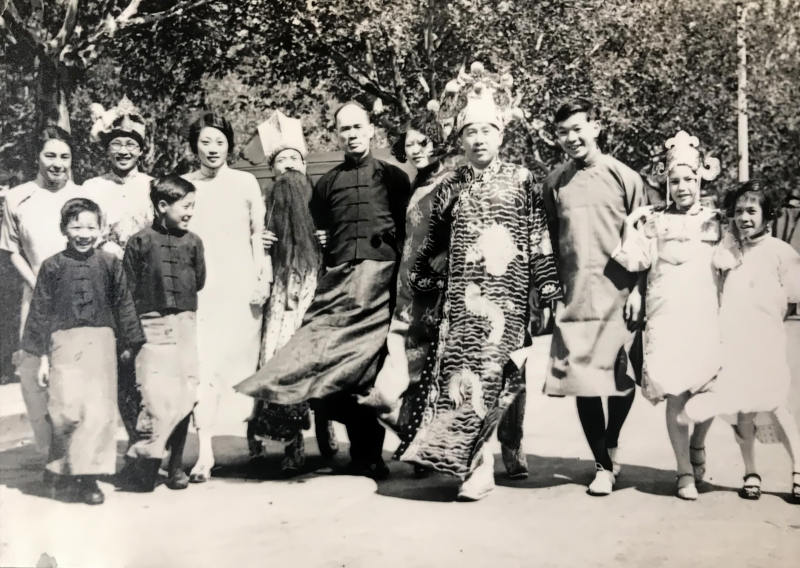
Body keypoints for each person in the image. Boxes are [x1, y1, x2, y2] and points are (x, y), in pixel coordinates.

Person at [396, 86, 562, 500]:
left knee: (506, 377)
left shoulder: (523, 180)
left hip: (509, 299)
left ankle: (511, 443)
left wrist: (546, 289)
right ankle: (478, 466)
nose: (478, 139)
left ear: (501, 135)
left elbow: (538, 237)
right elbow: (428, 247)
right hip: (464, 306)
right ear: (461, 138)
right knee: (470, 384)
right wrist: (434, 277)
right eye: (470, 131)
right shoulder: (450, 186)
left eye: (487, 130)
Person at [236, 101, 411, 480]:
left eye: (357, 127)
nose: (351, 135)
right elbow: (310, 238)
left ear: (371, 129)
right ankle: (359, 445)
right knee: (333, 374)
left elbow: (408, 234)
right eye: (344, 129)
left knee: (368, 372)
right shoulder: (327, 184)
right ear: (338, 135)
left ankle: (371, 455)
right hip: (339, 286)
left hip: (382, 286)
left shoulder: (394, 178)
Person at [542, 97, 646, 496]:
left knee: (621, 381)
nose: (571, 138)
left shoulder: (625, 177)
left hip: (619, 295)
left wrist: (637, 289)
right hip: (575, 297)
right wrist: (551, 293)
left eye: (578, 129)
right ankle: (602, 464)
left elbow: (643, 241)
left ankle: (612, 440)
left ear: (596, 127)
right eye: (563, 132)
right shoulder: (554, 183)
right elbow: (548, 243)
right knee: (582, 383)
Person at [612, 131, 721, 500]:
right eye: (675, 180)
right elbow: (643, 264)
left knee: (708, 393)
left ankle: (698, 445)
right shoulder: (650, 219)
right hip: (666, 312)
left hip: (706, 313)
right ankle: (684, 472)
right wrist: (638, 294)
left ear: (701, 177)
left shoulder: (717, 220)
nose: (682, 186)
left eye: (689, 178)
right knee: (676, 393)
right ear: (666, 182)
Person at [21, 198, 144, 505]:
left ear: (101, 229)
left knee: (98, 414)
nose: (84, 233)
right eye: (76, 226)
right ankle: (63, 468)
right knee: (66, 410)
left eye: (91, 226)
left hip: (101, 343)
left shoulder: (109, 263)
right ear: (64, 228)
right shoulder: (52, 266)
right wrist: (41, 357)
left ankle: (88, 480)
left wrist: (130, 344)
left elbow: (124, 304)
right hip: (63, 343)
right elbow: (40, 310)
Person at [685, 180, 800, 504]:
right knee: (743, 410)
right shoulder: (727, 251)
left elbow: (792, 297)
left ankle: (798, 471)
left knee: (776, 403)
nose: (745, 218)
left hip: (766, 339)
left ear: (767, 214)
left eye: (752, 211)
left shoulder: (780, 252)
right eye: (738, 212)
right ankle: (751, 471)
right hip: (734, 339)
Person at [244, 111, 337, 475]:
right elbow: (246, 239)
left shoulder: (319, 201)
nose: (289, 168)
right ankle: (292, 443)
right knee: (279, 363)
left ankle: (327, 424)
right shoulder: (267, 204)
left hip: (315, 288)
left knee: (320, 366)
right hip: (279, 295)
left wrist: (329, 240)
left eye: (294, 160)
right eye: (281, 162)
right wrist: (258, 242)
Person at [182, 113, 270, 483]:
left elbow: (258, 233)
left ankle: (257, 438)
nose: (213, 149)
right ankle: (204, 452)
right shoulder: (183, 185)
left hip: (241, 289)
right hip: (203, 291)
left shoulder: (245, 182)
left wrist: (262, 277)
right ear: (194, 146)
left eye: (219, 141)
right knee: (205, 369)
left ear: (229, 145)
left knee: (247, 367)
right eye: (205, 142)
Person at [358, 112, 452, 421]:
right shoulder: (415, 183)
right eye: (409, 144)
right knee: (394, 383)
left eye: (422, 142)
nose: (415, 150)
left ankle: (421, 442)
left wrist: (447, 254)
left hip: (438, 291)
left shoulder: (453, 179)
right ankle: (409, 427)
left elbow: (465, 227)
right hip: (407, 287)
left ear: (436, 141)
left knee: (429, 371)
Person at [0, 126, 87, 457]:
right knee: (34, 375)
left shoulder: (82, 198)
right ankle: (50, 453)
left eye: (65, 156)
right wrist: (37, 284)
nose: (58, 163)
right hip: (35, 296)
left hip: (78, 297)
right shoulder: (17, 197)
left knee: (74, 375)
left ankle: (75, 456)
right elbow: (12, 251)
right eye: (50, 155)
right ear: (36, 157)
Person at [120, 175, 205, 492]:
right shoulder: (139, 242)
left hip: (184, 322)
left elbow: (199, 281)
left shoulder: (194, 242)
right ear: (162, 206)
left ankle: (175, 467)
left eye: (192, 206)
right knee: (156, 398)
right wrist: (131, 338)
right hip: (151, 326)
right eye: (185, 206)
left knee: (184, 395)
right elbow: (126, 292)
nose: (190, 213)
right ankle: (148, 463)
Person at [83, 95, 155, 444]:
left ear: (142, 150)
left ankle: (159, 444)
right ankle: (132, 441)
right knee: (120, 364)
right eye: (117, 144)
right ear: (106, 150)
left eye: (131, 144)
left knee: (150, 362)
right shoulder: (93, 188)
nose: (124, 151)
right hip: (107, 285)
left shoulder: (152, 186)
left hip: (146, 285)